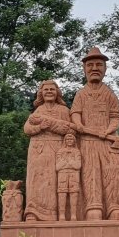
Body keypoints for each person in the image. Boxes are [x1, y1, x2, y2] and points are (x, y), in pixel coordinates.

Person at [71, 46, 119, 220]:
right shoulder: (81, 94)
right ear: (84, 69)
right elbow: (75, 114)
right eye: (90, 65)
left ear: (105, 69)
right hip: (87, 141)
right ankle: (93, 207)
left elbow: (115, 117)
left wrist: (107, 131)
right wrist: (79, 125)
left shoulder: (109, 94)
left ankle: (115, 207)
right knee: (90, 173)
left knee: (113, 173)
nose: (94, 68)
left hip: (108, 141)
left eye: (99, 65)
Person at [23, 79, 72, 221]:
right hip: (38, 149)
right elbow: (27, 129)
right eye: (46, 90)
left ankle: (55, 214)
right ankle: (33, 212)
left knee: (55, 181)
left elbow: (72, 130)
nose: (49, 92)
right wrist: (40, 127)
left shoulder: (64, 110)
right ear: (41, 94)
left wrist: (55, 128)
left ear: (57, 93)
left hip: (57, 149)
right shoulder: (38, 110)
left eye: (52, 89)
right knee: (36, 180)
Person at [55, 133, 82, 221]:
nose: (69, 141)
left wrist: (67, 162)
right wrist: (70, 162)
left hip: (74, 175)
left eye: (71, 139)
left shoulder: (77, 151)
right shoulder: (60, 151)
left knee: (74, 193)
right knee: (62, 193)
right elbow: (58, 167)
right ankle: (62, 215)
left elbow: (78, 165)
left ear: (74, 141)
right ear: (65, 141)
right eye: (67, 139)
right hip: (62, 174)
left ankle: (73, 215)